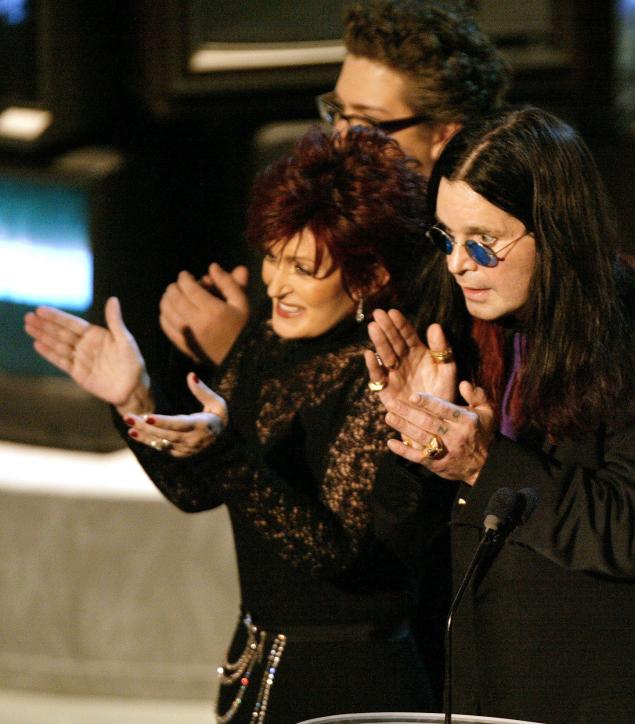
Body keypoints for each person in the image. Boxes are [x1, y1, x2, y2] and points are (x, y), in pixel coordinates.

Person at [24, 127, 441, 723]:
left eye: (303, 268)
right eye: (273, 257)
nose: (276, 284)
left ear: (371, 276)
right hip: (257, 665)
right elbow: (197, 492)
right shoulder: (267, 342)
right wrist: (135, 399)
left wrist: (225, 454)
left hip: (351, 685)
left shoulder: (385, 371)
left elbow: (332, 550)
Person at [364, 106, 635, 724]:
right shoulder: (459, 324)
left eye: (483, 241)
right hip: (477, 691)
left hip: (600, 696)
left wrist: (486, 463)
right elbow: (396, 542)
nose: (458, 263)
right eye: (447, 238)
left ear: (556, 228)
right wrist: (414, 430)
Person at [160, 0, 510, 368]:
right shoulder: (340, 220)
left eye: (364, 122)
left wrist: (238, 353)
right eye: (337, 112)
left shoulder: (464, 267)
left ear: (444, 137)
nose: (339, 138)